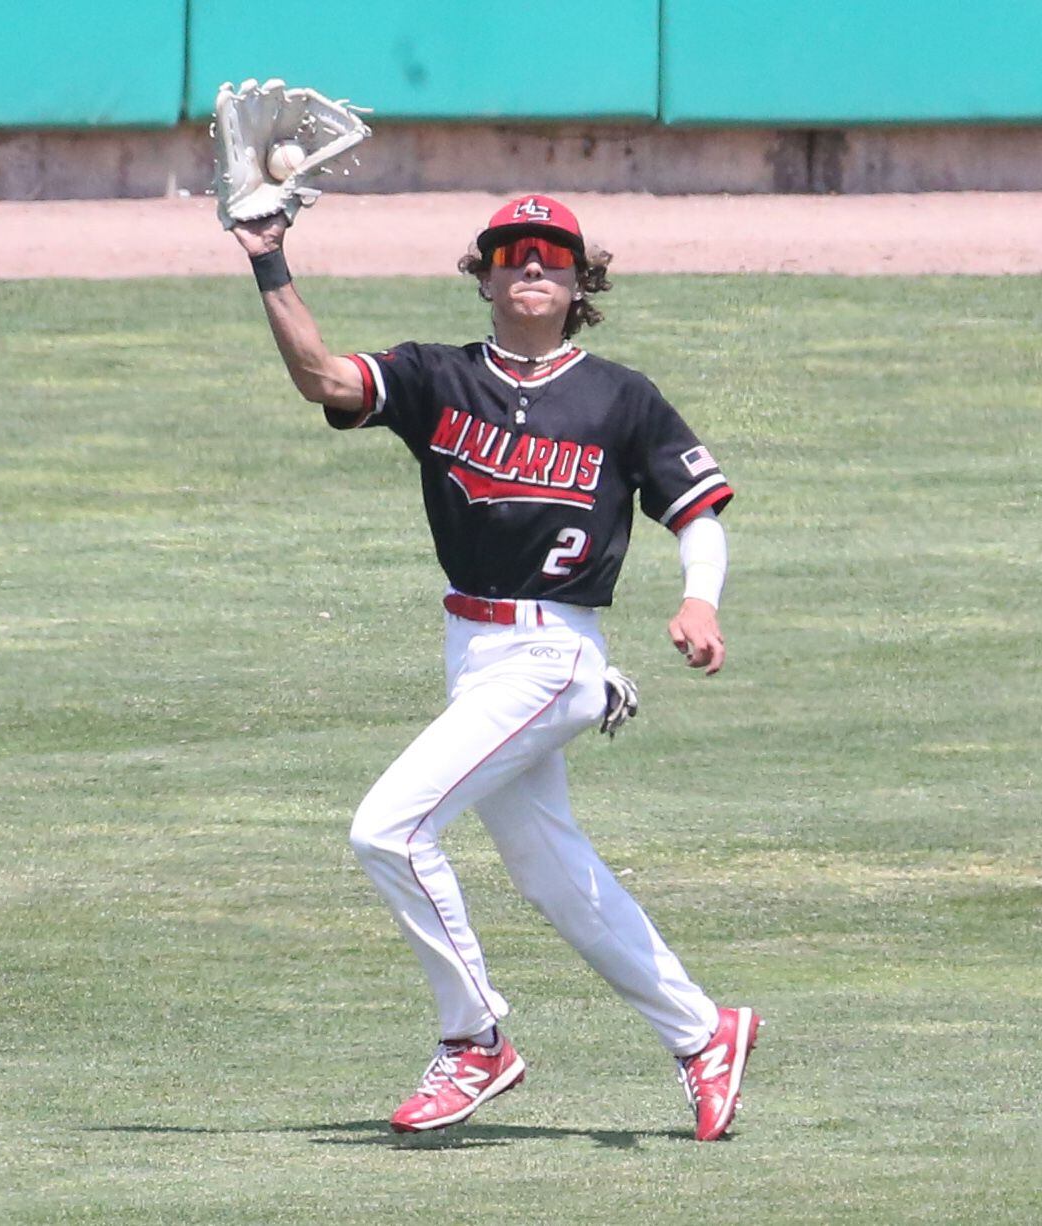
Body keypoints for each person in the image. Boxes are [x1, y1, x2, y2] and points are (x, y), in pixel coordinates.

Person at [232, 194, 758, 1141]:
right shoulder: (436, 377)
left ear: (578, 281)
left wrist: (699, 598)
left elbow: (698, 511)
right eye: (511, 252)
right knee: (553, 870)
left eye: (552, 256)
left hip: (552, 654)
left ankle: (474, 1040)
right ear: (482, 273)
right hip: (474, 652)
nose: (531, 267)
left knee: (388, 831)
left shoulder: (620, 397)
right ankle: (703, 1030)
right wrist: (269, 258)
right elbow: (318, 375)